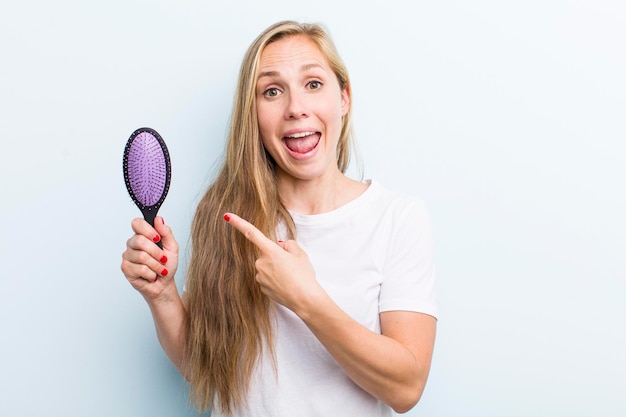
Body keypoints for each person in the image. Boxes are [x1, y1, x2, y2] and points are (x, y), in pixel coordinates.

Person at [121, 20, 437, 417]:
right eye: (272, 91)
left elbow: (406, 388)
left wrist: (306, 299)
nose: (295, 108)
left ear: (344, 98)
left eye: (313, 84)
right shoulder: (224, 215)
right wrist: (163, 295)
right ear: (252, 114)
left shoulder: (397, 218)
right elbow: (206, 370)